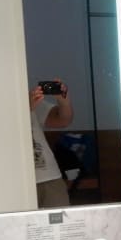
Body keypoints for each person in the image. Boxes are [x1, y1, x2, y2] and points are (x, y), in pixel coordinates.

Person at [29, 78, 74, 208]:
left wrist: (63, 102)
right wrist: (26, 109)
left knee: (61, 220)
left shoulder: (26, 97)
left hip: (50, 176)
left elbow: (63, 120)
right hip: (14, 180)